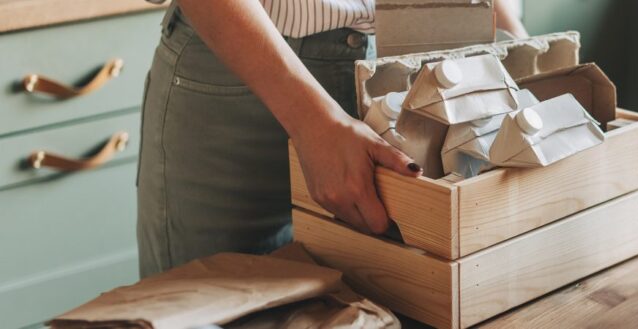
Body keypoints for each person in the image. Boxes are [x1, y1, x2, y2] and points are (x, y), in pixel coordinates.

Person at [137, 0, 529, 277]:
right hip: (245, 71)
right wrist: (311, 122)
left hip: (427, 65)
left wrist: (511, 41)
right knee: (210, 305)